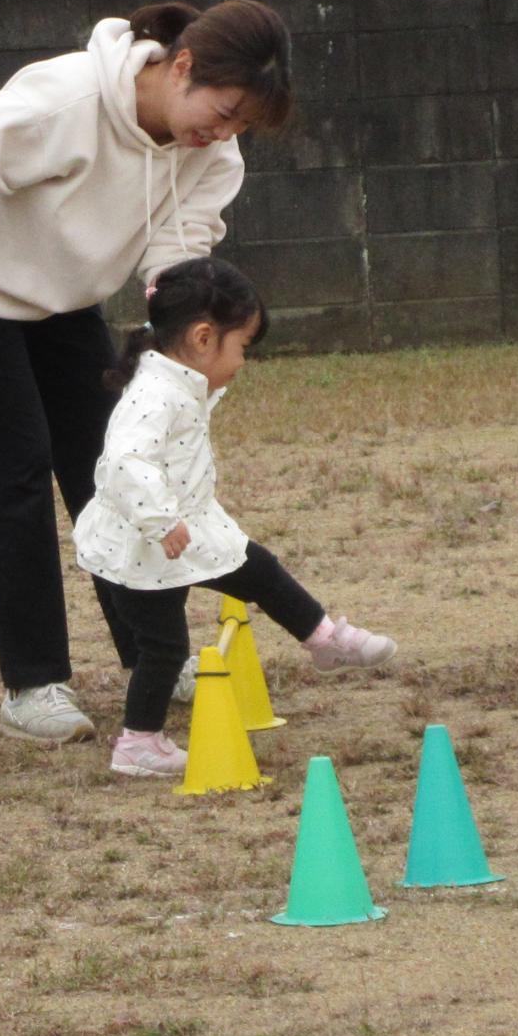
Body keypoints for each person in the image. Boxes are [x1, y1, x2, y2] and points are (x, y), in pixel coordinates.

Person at [0, 0, 295, 744]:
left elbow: (176, 265)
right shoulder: (65, 99)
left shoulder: (212, 153)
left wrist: (184, 359)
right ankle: (34, 683)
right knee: (11, 480)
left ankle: (155, 654)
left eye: (242, 124)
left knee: (120, 469)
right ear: (182, 66)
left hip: (65, 297)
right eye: (224, 108)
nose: (224, 132)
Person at [74, 257, 394, 780]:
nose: (243, 361)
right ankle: (138, 744)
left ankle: (325, 639)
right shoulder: (157, 394)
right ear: (204, 338)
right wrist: (159, 520)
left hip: (186, 527)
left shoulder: (175, 379)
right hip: (144, 541)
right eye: (242, 347)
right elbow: (124, 462)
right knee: (164, 646)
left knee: (258, 570)